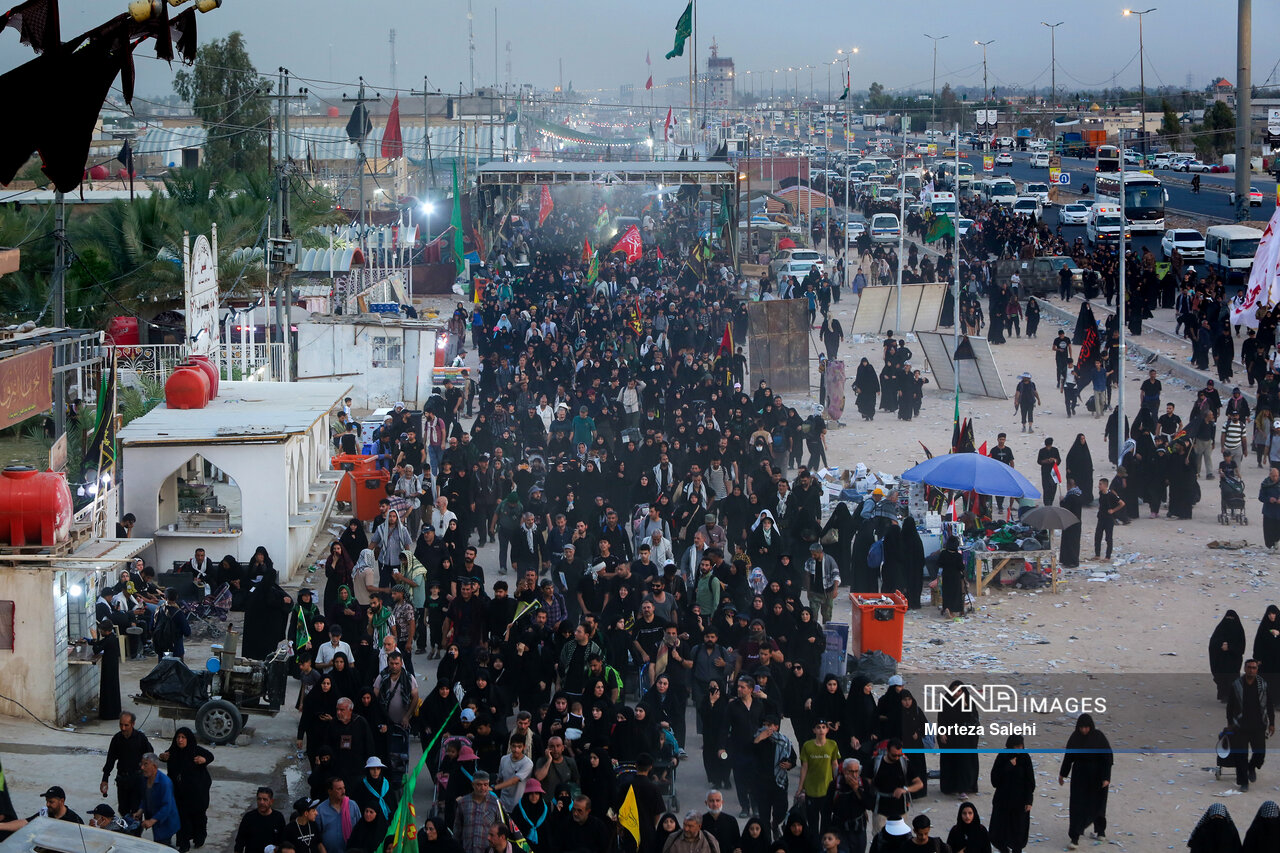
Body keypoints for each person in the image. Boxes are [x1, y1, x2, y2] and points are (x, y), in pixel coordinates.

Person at [1058, 713, 1112, 849]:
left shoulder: (1099, 737)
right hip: (1079, 776)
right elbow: (1068, 757)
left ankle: (1100, 831)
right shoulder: (1075, 738)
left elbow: (1107, 758)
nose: (1084, 730)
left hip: (1097, 776)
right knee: (1077, 806)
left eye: (1086, 727)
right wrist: (1062, 774)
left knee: (1098, 804)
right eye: (1081, 728)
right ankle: (1074, 838)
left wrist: (1106, 777)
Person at [160, 727, 214, 852]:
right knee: (182, 818)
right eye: (178, 737)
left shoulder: (196, 750)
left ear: (188, 739)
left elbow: (210, 756)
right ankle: (184, 844)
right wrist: (163, 756)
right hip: (180, 793)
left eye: (183, 737)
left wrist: (203, 760)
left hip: (197, 793)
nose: (180, 740)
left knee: (198, 817)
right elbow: (163, 756)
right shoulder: (173, 751)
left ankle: (199, 837)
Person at [1227, 659, 1276, 791]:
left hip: (1259, 725)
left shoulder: (1263, 685)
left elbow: (1269, 704)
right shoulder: (1237, 685)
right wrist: (1230, 723)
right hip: (1240, 726)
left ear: (1257, 670)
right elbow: (1230, 706)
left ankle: (1252, 767)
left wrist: (1272, 723)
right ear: (1245, 668)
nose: (1251, 670)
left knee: (1260, 754)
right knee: (1240, 756)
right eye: (1249, 667)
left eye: (1254, 668)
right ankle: (1243, 782)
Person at [101, 711, 153, 817]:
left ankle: (135, 833)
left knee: (136, 811)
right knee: (123, 810)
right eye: (121, 724)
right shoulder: (117, 739)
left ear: (133, 724)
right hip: (122, 780)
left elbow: (150, 756)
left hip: (137, 780)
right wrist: (105, 779)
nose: (123, 728)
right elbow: (110, 760)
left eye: (126, 725)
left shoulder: (141, 739)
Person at [988, 735, 1033, 853]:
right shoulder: (1003, 757)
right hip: (1002, 802)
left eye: (1021, 746)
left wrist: (1029, 801)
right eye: (1016, 746)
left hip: (1019, 804)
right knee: (997, 834)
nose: (1019, 749)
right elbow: (994, 780)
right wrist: (1008, 766)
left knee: (1018, 836)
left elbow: (1030, 782)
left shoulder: (1025, 758)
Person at [0, 785, 84, 833]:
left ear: (61, 801)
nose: (47, 804)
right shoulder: (45, 813)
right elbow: (25, 823)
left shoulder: (75, 820)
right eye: (46, 801)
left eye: (51, 802)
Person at [137, 753, 180, 847]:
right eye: (142, 764)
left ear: (154, 766)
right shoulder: (145, 778)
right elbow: (145, 797)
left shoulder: (165, 783)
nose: (142, 768)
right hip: (155, 817)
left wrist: (152, 820)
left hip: (166, 821)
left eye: (145, 764)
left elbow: (166, 806)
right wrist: (140, 810)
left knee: (163, 845)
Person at [454, 772, 501, 853]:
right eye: (479, 785)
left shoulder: (496, 803)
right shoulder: (463, 803)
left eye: (485, 785)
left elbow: (500, 829)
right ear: (473, 785)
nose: (482, 788)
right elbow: (457, 829)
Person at [234, 787, 286, 853]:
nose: (261, 802)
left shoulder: (278, 818)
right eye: (259, 799)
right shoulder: (249, 817)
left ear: (271, 801)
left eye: (265, 799)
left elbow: (283, 842)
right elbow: (240, 842)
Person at [1211, 611, 1248, 703]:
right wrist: (1221, 645)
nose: (1229, 621)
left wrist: (1230, 647)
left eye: (1232, 619)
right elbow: (1212, 643)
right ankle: (1224, 695)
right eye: (1228, 619)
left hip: (1233, 660)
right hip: (1221, 659)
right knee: (1222, 678)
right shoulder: (1220, 629)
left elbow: (1241, 647)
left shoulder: (1239, 630)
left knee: (1232, 678)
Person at [314, 777, 359, 853]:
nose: (343, 791)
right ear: (330, 791)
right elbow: (317, 837)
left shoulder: (352, 805)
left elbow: (361, 828)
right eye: (339, 789)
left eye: (344, 788)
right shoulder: (320, 810)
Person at [1092, 478, 1124, 562]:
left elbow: (1122, 503)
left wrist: (1113, 510)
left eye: (1100, 484)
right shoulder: (1101, 493)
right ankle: (1097, 555)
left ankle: (1107, 556)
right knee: (1098, 536)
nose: (1099, 486)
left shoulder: (1111, 495)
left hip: (1109, 519)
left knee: (1108, 538)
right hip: (1101, 517)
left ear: (1105, 485)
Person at [937, 538, 966, 619]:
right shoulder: (958, 556)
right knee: (956, 594)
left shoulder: (943, 553)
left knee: (946, 593)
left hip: (946, 576)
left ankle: (947, 608)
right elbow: (961, 567)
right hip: (955, 577)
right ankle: (953, 610)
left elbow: (939, 564)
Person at [1260, 468, 1280, 549]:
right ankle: (1270, 546)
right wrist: (1269, 499)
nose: (1275, 478)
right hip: (1269, 511)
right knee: (1269, 530)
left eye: (1276, 476)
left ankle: (1276, 543)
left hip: (1278, 511)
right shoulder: (1265, 484)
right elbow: (1261, 497)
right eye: (1273, 476)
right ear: (1270, 475)